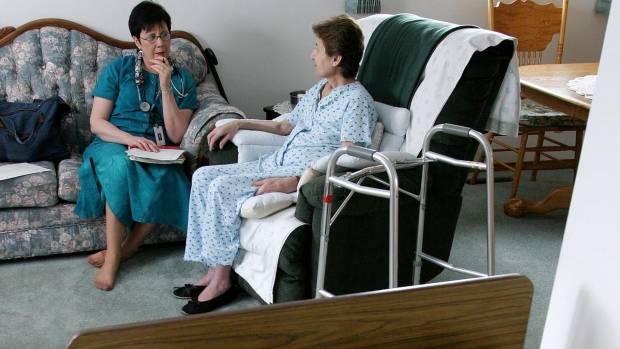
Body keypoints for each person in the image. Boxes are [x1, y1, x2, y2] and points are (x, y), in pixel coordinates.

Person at [176, 14, 378, 315]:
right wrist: (239, 122)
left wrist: (296, 183)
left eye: (317, 48)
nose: (311, 55)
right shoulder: (319, 90)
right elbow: (285, 126)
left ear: (336, 58)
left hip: (293, 175)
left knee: (220, 186)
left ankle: (222, 280)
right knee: (203, 176)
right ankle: (211, 268)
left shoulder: (357, 101)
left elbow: (350, 159)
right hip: (274, 162)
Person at [74, 1, 198, 291]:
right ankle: (114, 257)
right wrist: (129, 139)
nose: (160, 43)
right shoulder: (119, 69)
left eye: (165, 34)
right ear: (136, 40)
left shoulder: (183, 80)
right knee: (120, 167)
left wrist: (166, 86)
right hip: (114, 142)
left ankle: (130, 247)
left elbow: (177, 134)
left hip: (156, 148)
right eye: (151, 36)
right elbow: (97, 122)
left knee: (170, 176)